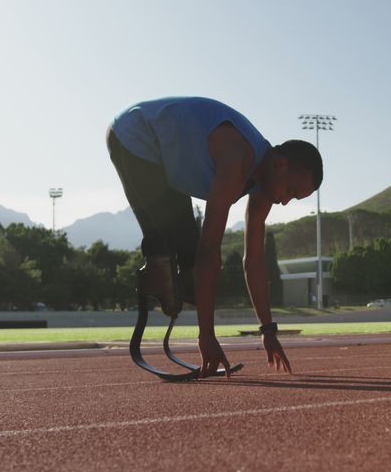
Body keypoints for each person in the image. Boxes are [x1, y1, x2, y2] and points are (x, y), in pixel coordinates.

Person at [106, 97, 323, 378]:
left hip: (166, 161)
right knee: (168, 245)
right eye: (291, 191)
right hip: (134, 134)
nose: (285, 201)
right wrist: (206, 335)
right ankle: (159, 282)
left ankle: (171, 290)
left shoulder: (263, 188)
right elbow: (210, 249)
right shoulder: (238, 160)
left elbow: (254, 260)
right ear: (280, 164)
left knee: (188, 255)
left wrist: (268, 330)